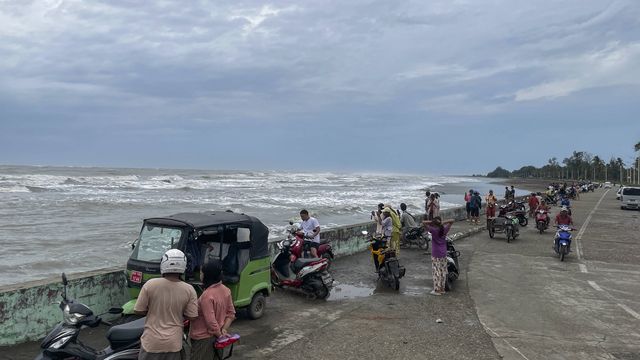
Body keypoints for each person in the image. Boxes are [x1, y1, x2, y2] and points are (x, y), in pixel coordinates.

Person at [135, 249, 198, 360]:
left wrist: (153, 310)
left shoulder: (150, 284)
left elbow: (138, 310)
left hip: (151, 342)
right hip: (173, 343)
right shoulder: (189, 289)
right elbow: (192, 316)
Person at [189, 260, 236, 360]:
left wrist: (220, 335)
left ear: (207, 275)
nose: (200, 275)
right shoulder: (226, 290)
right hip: (218, 337)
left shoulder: (207, 295)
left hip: (204, 339)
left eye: (202, 272)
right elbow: (231, 314)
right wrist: (223, 330)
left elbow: (211, 322)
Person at [423, 216, 454, 296]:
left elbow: (423, 222)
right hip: (443, 252)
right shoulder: (444, 229)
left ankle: (437, 290)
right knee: (443, 271)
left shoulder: (433, 230)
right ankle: (442, 289)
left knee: (436, 271)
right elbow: (452, 220)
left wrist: (432, 222)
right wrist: (442, 223)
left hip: (436, 253)